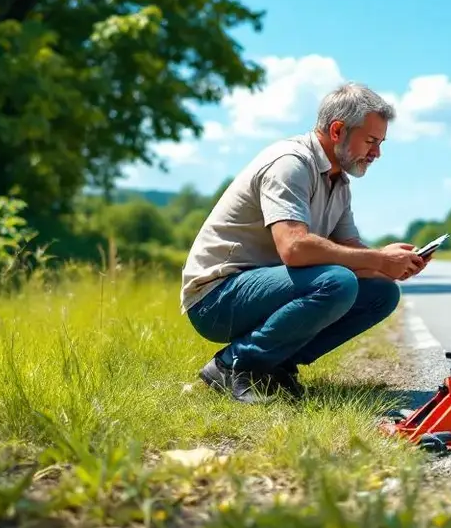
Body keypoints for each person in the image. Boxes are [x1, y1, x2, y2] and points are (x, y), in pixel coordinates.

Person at [180, 82, 430, 404]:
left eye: (380, 143)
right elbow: (294, 248)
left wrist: (390, 264)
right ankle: (235, 365)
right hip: (216, 298)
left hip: (266, 289)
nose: (377, 153)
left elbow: (350, 247)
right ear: (338, 130)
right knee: (337, 282)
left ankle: (274, 365)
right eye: (370, 141)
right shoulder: (291, 163)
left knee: (382, 293)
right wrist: (378, 259)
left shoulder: (339, 181)